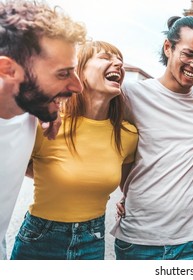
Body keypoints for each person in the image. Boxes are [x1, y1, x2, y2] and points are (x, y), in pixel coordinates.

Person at [10, 41, 138, 260]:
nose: (118, 63)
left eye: (120, 61)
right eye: (106, 57)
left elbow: (131, 184)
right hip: (40, 239)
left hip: (92, 240)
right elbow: (18, 165)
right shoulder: (47, 123)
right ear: (79, 72)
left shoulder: (127, 135)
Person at [111, 15, 193, 260]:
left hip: (189, 242)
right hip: (138, 239)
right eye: (189, 54)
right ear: (168, 48)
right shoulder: (130, 95)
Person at [0, 0, 86, 260]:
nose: (77, 86)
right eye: (63, 74)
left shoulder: (30, 107)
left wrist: (48, 109)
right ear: (8, 69)